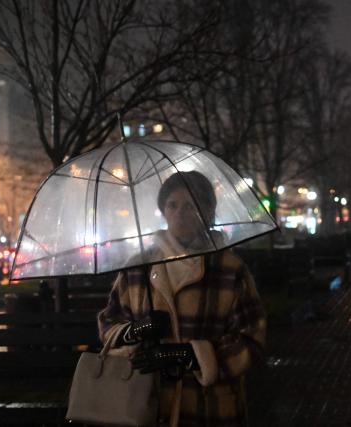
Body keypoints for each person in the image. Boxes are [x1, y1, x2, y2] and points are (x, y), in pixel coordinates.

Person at [98, 171, 266, 427]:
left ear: (207, 212)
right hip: (148, 407)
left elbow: (251, 340)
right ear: (163, 211)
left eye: (190, 205)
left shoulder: (229, 268)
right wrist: (137, 331)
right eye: (172, 205)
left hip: (210, 409)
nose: (180, 213)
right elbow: (109, 322)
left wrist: (191, 355)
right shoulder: (137, 268)